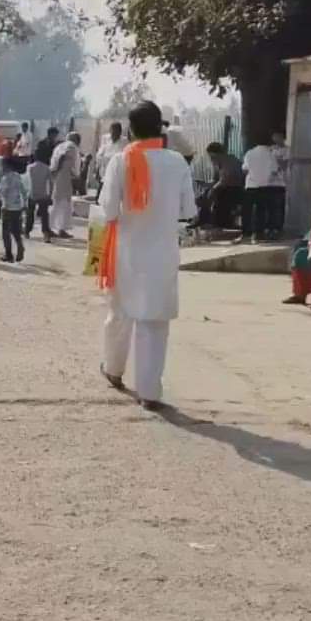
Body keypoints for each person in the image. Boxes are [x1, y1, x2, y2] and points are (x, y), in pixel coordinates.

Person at [97, 100, 196, 411]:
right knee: (154, 322)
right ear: (160, 127)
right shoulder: (177, 162)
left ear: (130, 130)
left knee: (119, 314)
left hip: (125, 252)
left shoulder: (120, 161)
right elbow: (188, 210)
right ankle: (150, 392)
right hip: (162, 254)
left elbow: (109, 209)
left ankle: (113, 370)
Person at [237, 135, 280, 244]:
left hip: (251, 185)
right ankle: (258, 234)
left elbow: (245, 170)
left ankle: (246, 233)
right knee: (260, 211)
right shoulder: (271, 155)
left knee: (247, 210)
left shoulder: (249, 153)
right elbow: (275, 170)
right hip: (265, 186)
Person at [202, 142, 244, 236]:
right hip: (228, 187)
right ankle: (208, 221)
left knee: (215, 195)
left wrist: (213, 188)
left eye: (212, 156)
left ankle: (217, 223)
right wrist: (209, 185)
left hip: (234, 189)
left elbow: (226, 179)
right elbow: (218, 179)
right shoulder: (221, 162)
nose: (211, 159)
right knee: (207, 193)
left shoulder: (228, 161)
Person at [0, 156, 29, 263]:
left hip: (7, 207)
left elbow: (1, 192)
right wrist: (25, 204)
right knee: (16, 231)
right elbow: (24, 191)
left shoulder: (5, 178)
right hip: (17, 208)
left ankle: (8, 255)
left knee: (6, 232)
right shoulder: (18, 176)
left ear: (6, 166)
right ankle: (20, 245)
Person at [49, 132, 82, 239]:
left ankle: (52, 227)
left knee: (57, 202)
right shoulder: (72, 147)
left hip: (57, 176)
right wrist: (76, 174)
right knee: (64, 204)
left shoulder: (59, 146)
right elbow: (72, 163)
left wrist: (55, 170)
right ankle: (59, 229)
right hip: (64, 177)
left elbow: (55, 160)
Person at [90, 123, 128, 200]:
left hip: (116, 172)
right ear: (110, 131)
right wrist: (97, 169)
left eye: (117, 131)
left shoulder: (125, 142)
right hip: (104, 171)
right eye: (113, 131)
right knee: (100, 196)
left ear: (120, 132)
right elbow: (99, 155)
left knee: (113, 195)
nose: (114, 134)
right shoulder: (105, 139)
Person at [25, 149, 53, 242]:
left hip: (32, 193)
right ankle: (46, 234)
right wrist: (50, 194)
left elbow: (26, 181)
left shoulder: (30, 167)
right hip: (43, 194)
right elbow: (51, 183)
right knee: (44, 215)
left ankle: (27, 232)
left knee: (30, 214)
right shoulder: (47, 168)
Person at [268, 131, 290, 237]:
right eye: (274, 137)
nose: (276, 139)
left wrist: (274, 160)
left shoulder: (287, 150)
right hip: (269, 182)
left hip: (281, 182)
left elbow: (285, 164)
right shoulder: (270, 149)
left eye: (278, 136)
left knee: (279, 205)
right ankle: (270, 227)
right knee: (270, 205)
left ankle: (278, 227)